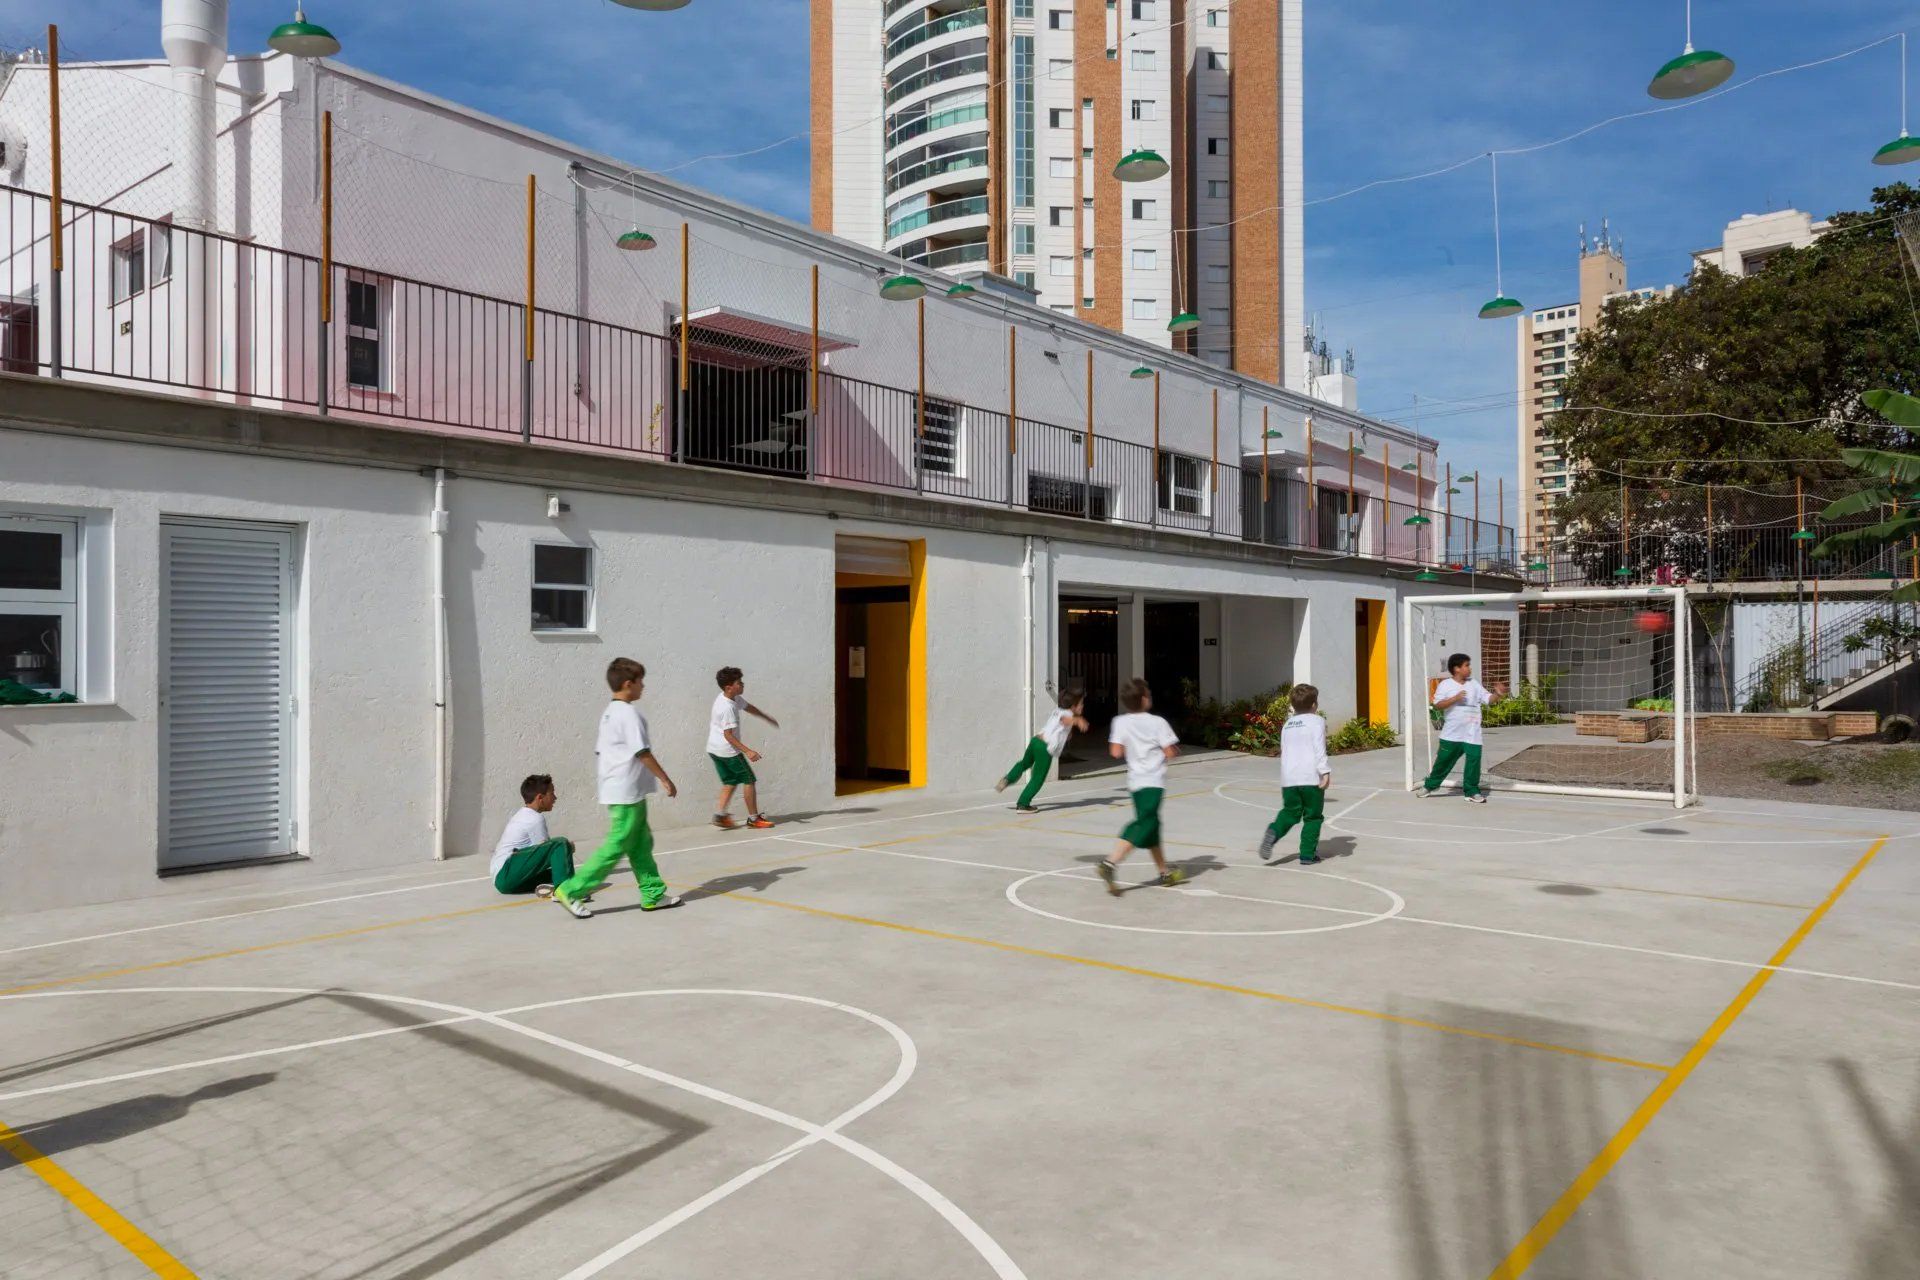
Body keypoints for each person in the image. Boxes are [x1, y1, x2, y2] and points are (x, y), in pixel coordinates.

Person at [552, 658, 680, 918]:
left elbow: (603, 750)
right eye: (641, 682)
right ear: (628, 684)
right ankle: (571, 890)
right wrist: (665, 778)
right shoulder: (628, 713)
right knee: (617, 844)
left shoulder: (609, 713)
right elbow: (642, 752)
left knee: (641, 843)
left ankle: (653, 894)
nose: (643, 687)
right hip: (625, 792)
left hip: (625, 790)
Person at [1094, 678, 1186, 895]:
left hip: (1135, 782)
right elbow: (1170, 752)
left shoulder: (1120, 722)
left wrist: (1135, 748)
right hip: (1153, 782)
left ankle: (1164, 872)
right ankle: (1110, 863)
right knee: (1145, 823)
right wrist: (1171, 752)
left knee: (1152, 826)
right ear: (1144, 699)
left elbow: (1115, 752)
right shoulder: (1158, 723)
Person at [1419, 652, 1507, 803]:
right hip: (1452, 734)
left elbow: (1488, 699)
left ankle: (1472, 791)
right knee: (1443, 762)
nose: (1470, 668)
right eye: (1467, 665)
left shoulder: (1474, 683)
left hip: (1473, 733)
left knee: (1474, 761)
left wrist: (1497, 695)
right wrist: (1455, 698)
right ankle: (1430, 785)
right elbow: (1437, 706)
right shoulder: (1445, 685)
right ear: (1457, 668)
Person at [1258, 685, 1332, 865]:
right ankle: (1307, 854)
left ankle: (1274, 831)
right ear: (1314, 705)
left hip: (1289, 778)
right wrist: (1325, 772)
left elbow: (1286, 750)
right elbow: (1318, 748)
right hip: (1310, 777)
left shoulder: (1287, 724)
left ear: (1293, 706)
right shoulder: (1317, 721)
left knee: (1290, 813)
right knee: (1313, 816)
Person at [708, 666, 779, 830]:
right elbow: (728, 735)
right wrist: (748, 751)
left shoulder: (730, 697)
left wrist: (765, 717)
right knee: (749, 780)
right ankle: (754, 819)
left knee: (730, 781)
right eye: (739, 683)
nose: (743, 684)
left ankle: (720, 815)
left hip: (714, 750)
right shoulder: (727, 708)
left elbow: (748, 707)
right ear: (729, 687)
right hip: (729, 752)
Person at [995, 690, 1089, 812]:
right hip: (1044, 748)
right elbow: (1064, 720)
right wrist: (1078, 720)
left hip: (1035, 741)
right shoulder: (1069, 715)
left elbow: (1060, 725)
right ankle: (1023, 804)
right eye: (1081, 704)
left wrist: (1069, 732)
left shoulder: (1057, 711)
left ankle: (1008, 778)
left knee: (1024, 763)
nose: (1083, 706)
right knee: (1038, 778)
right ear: (1073, 706)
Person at [490, 773, 576, 897]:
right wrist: (567, 848)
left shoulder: (524, 814)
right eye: (552, 793)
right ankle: (566, 891)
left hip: (505, 881)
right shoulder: (534, 818)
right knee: (560, 843)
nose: (555, 798)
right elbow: (549, 852)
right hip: (506, 874)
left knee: (558, 871)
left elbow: (541, 854)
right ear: (540, 797)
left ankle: (556, 888)